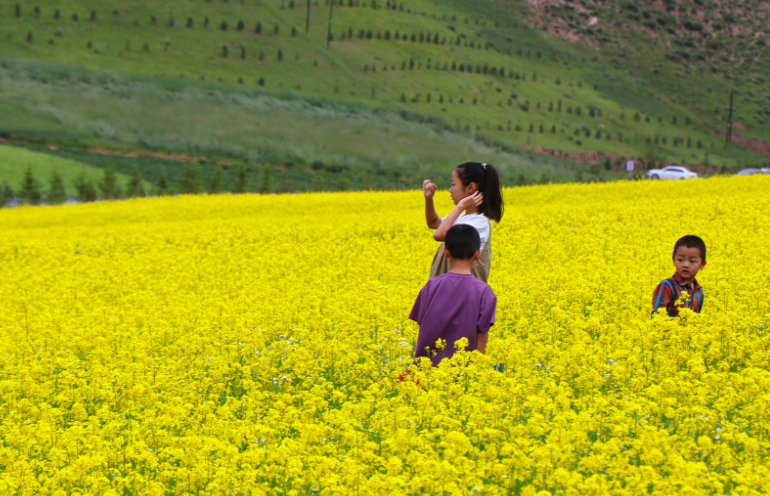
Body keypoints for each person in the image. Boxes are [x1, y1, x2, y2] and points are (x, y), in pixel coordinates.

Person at [409, 225, 497, 367]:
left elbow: (422, 327)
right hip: (462, 372)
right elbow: (482, 335)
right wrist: (477, 372)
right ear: (478, 254)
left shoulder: (431, 286)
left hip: (426, 371)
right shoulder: (484, 291)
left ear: (446, 252)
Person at [422, 162, 504, 283]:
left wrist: (461, 205)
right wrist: (428, 199)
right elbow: (433, 222)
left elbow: (439, 235)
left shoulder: (479, 223)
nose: (450, 190)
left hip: (461, 295)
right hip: (447, 291)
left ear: (471, 187)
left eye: (453, 184)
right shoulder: (462, 217)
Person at [652, 235, 707, 317]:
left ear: (702, 264)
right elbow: (656, 318)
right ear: (673, 260)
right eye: (680, 260)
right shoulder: (667, 286)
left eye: (692, 261)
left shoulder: (699, 291)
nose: (685, 265)